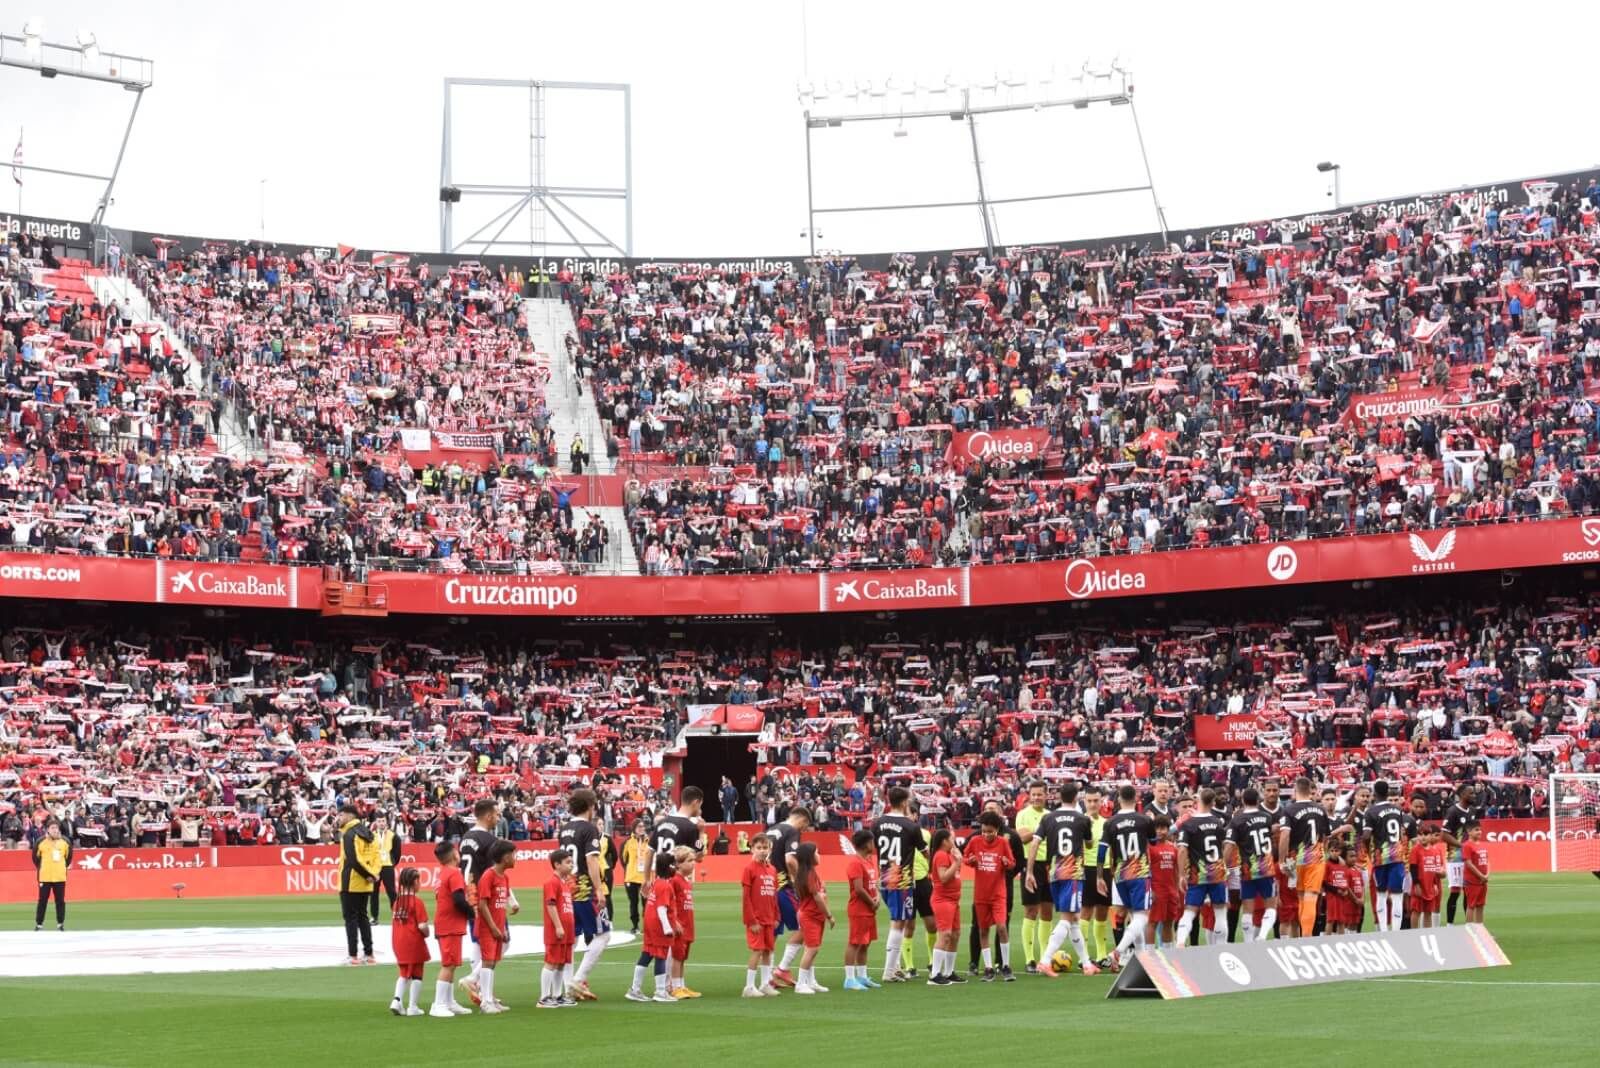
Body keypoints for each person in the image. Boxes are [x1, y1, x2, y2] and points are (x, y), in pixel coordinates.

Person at [1030, 782, 1099, 976]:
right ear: (1076, 798)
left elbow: (1035, 843)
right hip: (1073, 873)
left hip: (1054, 873)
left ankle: (1086, 964)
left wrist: (1028, 872)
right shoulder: (1081, 819)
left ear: (1060, 797)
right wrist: (1089, 826)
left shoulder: (1048, 817)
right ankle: (1045, 960)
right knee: (1067, 919)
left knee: (1074, 918)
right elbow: (1090, 844)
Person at [557, 788, 609, 1002]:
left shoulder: (565, 828)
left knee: (572, 938)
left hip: (568, 888)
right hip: (585, 889)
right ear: (590, 806)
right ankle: (577, 979)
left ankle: (567, 985)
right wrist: (598, 889)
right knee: (603, 934)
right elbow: (591, 860)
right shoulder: (589, 829)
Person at [1278, 776, 1344, 938]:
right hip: (1315, 857)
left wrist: (1281, 860)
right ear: (1310, 790)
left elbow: (1285, 835)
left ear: (1295, 790)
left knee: (1301, 896)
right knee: (1311, 896)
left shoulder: (1289, 810)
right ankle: (1306, 937)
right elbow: (1326, 836)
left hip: (1296, 858)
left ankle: (1303, 936)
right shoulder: (1320, 809)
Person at [871, 786, 925, 983]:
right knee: (898, 922)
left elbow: (872, 847)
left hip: (884, 878)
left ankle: (894, 967)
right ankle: (888, 971)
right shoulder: (911, 826)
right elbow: (925, 851)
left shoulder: (878, 823)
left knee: (899, 920)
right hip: (901, 881)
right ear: (904, 803)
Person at [1097, 785, 1154, 970]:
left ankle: (1141, 958)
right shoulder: (1144, 820)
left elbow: (1102, 849)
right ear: (1136, 798)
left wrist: (1099, 875)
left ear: (1119, 799)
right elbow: (1153, 842)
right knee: (1142, 917)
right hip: (1139, 873)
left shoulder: (1111, 822)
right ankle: (1118, 951)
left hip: (1120, 875)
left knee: (1133, 916)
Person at [457, 798, 501, 1003]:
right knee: (501, 939)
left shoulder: (466, 837)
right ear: (488, 815)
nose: (499, 818)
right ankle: (474, 978)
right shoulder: (489, 841)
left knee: (477, 940)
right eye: (497, 814)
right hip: (485, 896)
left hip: (469, 891)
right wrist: (510, 900)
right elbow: (495, 873)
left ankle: (482, 989)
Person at [963, 810, 1016, 981]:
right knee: (983, 930)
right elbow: (966, 857)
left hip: (998, 893)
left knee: (1001, 927)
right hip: (981, 894)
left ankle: (1006, 965)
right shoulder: (975, 841)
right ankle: (988, 968)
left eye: (990, 831)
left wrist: (1007, 864)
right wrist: (970, 861)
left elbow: (1012, 863)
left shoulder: (1002, 843)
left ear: (997, 829)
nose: (986, 835)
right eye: (984, 831)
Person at [766, 805, 813, 987]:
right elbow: (790, 859)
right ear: (801, 820)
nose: (803, 830)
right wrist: (799, 881)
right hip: (784, 887)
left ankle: (768, 977)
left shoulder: (772, 830)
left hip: (769, 886)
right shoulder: (791, 831)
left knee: (773, 932)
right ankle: (783, 969)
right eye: (805, 826)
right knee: (805, 926)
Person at [1176, 788, 1229, 947]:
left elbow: (1183, 849)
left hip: (1197, 874)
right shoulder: (1218, 822)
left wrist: (1181, 875)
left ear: (1197, 802)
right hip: (1217, 873)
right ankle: (1221, 947)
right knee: (1220, 913)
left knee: (1190, 911)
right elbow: (1224, 845)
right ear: (1213, 803)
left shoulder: (1189, 824)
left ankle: (1180, 942)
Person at [1226, 787, 1279, 942]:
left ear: (1242, 800)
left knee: (1247, 909)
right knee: (1271, 905)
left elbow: (1229, 846)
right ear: (1258, 800)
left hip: (1247, 869)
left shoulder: (1237, 820)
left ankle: (1248, 942)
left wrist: (1223, 865)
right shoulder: (1267, 817)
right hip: (1266, 868)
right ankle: (1262, 936)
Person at [429, 840, 474, 1016]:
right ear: (455, 854)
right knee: (448, 965)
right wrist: (472, 912)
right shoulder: (454, 873)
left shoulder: (442, 874)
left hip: (445, 923)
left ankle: (448, 1001)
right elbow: (458, 899)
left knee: (452, 964)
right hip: (450, 924)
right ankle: (438, 1004)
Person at [627, 852, 679, 1003]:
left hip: (649, 923)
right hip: (658, 926)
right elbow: (661, 909)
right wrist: (667, 927)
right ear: (669, 867)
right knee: (661, 956)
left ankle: (635, 989)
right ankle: (660, 991)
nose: (675, 867)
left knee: (647, 954)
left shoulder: (656, 882)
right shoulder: (665, 886)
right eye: (674, 865)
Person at [1361, 780, 1412, 932]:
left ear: (1374, 793)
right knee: (1397, 894)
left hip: (1380, 857)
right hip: (1397, 857)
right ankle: (1396, 931)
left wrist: (1367, 849)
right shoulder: (1397, 810)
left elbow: (1366, 835)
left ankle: (1383, 930)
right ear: (1387, 792)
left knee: (1381, 893)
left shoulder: (1370, 812)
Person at [473, 839, 517, 1013]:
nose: (515, 858)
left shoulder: (504, 877)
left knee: (492, 963)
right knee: (487, 961)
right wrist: (492, 927)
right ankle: (486, 1001)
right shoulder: (488, 876)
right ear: (505, 857)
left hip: (498, 926)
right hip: (487, 927)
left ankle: (490, 998)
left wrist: (503, 928)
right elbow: (482, 904)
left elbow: (501, 904)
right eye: (513, 855)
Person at [1014, 780, 1052, 973]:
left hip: (1050, 865)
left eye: (1040, 794)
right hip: (1031, 865)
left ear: (1047, 795)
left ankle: (1045, 957)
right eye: (1034, 794)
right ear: (1029, 795)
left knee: (1047, 911)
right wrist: (1042, 830)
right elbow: (1021, 837)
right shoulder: (1022, 814)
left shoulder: (1050, 815)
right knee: (1031, 911)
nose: (1037, 798)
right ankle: (1029, 958)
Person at [336, 803, 382, 965]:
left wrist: (367, 874)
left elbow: (353, 859)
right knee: (363, 917)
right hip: (366, 883)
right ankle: (369, 955)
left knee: (351, 919)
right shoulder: (369, 833)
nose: (338, 818)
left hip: (351, 882)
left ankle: (353, 955)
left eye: (340, 815)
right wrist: (373, 874)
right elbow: (377, 856)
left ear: (350, 816)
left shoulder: (349, 834)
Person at [740, 833, 781, 997]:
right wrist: (751, 920)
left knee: (768, 951)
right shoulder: (749, 869)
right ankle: (749, 986)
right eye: (759, 848)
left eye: (765, 848)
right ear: (752, 849)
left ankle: (765, 983)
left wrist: (777, 916)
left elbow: (774, 895)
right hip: (756, 919)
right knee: (757, 950)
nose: (763, 851)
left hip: (769, 918)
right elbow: (746, 897)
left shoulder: (772, 869)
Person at [792, 841, 834, 994]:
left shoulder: (811, 873)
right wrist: (829, 915)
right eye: (817, 852)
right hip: (810, 915)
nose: (819, 855)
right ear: (810, 856)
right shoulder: (809, 874)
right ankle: (801, 983)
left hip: (815, 915)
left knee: (813, 949)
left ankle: (811, 981)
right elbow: (817, 897)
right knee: (812, 949)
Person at [927, 828, 966, 986]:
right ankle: (935, 974)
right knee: (945, 935)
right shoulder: (941, 855)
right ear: (944, 841)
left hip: (952, 899)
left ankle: (949, 972)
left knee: (955, 934)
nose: (954, 841)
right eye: (951, 838)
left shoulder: (948, 854)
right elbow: (943, 878)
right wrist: (957, 862)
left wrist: (958, 861)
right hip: (943, 900)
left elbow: (955, 874)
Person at [1078, 784, 1112, 966]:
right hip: (1086, 869)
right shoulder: (1079, 821)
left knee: (1102, 912)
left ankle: (1101, 955)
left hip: (1105, 870)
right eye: (1089, 801)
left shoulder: (1107, 823)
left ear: (1101, 802)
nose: (1092, 804)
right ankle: (1082, 956)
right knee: (1085, 911)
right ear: (1084, 802)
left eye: (1096, 801)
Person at [389, 867, 430, 1017]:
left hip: (398, 941)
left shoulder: (397, 902)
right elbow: (422, 926)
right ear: (415, 882)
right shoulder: (417, 902)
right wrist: (427, 933)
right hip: (413, 941)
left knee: (404, 973)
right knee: (417, 974)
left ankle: (397, 1000)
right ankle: (413, 1006)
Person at [843, 829, 881, 991]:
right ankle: (849, 978)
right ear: (866, 844)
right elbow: (858, 889)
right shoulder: (855, 863)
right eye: (872, 842)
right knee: (855, 942)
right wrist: (871, 902)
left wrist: (877, 897)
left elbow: (873, 884)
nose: (874, 845)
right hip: (859, 909)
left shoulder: (868, 861)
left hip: (869, 909)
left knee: (865, 943)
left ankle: (862, 976)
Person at [539, 848, 577, 1009]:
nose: (571, 865)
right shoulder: (552, 882)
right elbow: (551, 905)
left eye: (571, 862)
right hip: (557, 930)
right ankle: (544, 997)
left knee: (561, 963)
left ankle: (557, 995)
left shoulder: (565, 883)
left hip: (567, 930)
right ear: (557, 864)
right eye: (567, 862)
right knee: (551, 962)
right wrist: (558, 926)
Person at [1440, 784, 1478, 925]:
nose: (1474, 795)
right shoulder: (1453, 811)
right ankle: (1450, 926)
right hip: (1455, 858)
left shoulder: (1472, 811)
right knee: (1455, 892)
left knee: (1469, 891)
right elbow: (1443, 835)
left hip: (1469, 858)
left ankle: (1469, 925)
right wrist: (1462, 845)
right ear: (1462, 795)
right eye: (1471, 793)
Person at [668, 846, 700, 998]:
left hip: (688, 924)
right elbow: (669, 902)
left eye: (693, 860)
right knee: (677, 956)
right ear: (679, 864)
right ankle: (674, 987)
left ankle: (682, 985)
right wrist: (674, 921)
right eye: (689, 861)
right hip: (679, 925)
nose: (693, 863)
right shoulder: (674, 880)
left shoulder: (686, 882)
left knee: (683, 957)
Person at [1147, 816, 1182, 947]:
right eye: (1157, 828)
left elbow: (1176, 871)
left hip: (1171, 891)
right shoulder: (1149, 848)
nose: (1160, 831)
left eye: (1163, 828)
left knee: (1169, 922)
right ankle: (1149, 956)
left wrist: (1177, 891)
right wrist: (1150, 890)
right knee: (1152, 922)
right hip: (1157, 890)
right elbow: (1146, 871)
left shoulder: (1173, 848)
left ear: (1168, 830)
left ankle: (1167, 953)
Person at [32, 820, 71, 932]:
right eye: (52, 828)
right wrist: (43, 868)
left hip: (60, 877)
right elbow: (35, 859)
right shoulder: (40, 842)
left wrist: (61, 867)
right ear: (48, 829)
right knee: (42, 901)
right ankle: (39, 924)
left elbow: (68, 859)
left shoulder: (65, 842)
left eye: (56, 828)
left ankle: (60, 924)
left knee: (60, 901)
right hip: (45, 877)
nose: (54, 830)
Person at [1409, 825, 1446, 928]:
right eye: (1420, 835)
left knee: (1428, 912)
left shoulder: (1434, 851)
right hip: (1420, 885)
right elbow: (1413, 867)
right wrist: (1416, 884)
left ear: (1430, 836)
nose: (1423, 837)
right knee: (1416, 911)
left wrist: (1434, 884)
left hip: (1430, 886)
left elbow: (1434, 870)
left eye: (1425, 834)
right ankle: (1414, 933)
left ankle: (1427, 933)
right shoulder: (1415, 850)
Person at [370, 814, 401, 922]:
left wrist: (392, 863)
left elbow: (397, 853)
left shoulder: (393, 836)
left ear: (386, 822)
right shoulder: (371, 835)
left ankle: (396, 915)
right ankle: (374, 917)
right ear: (376, 823)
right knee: (373, 893)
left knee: (391, 892)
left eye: (383, 821)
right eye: (379, 821)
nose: (381, 823)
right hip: (375, 868)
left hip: (387, 866)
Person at [622, 820, 650, 934]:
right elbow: (623, 858)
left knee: (646, 904)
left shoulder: (649, 841)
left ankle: (647, 926)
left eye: (643, 826)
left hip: (645, 878)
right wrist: (630, 868)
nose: (642, 828)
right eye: (639, 826)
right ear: (634, 828)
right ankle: (635, 926)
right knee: (633, 903)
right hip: (632, 877)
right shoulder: (628, 842)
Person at [1461, 821, 1489, 922]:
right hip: (1472, 881)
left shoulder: (1482, 845)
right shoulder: (1467, 845)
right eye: (1476, 830)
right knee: (1471, 906)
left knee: (1480, 905)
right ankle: (1470, 930)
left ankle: (1480, 931)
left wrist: (1487, 875)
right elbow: (1468, 863)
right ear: (1469, 831)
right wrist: (1481, 875)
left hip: (1483, 881)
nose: (1480, 832)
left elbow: (1486, 861)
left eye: (1480, 829)